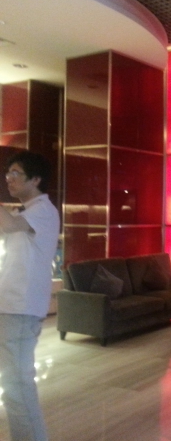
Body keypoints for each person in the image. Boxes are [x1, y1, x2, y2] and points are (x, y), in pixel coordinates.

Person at [0, 151, 60, 441]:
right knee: (13, 384)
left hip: (21, 309)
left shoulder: (43, 211)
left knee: (18, 387)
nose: (9, 179)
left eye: (16, 173)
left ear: (35, 179)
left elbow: (9, 226)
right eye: (7, 173)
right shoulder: (24, 213)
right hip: (11, 306)